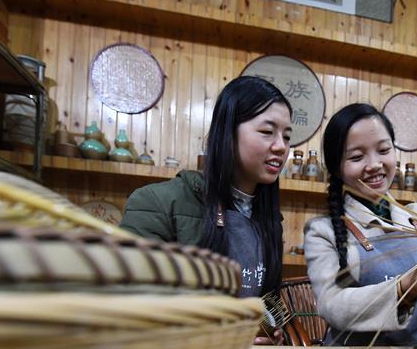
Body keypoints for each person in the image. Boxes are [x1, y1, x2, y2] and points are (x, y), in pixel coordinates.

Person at [304, 103, 417, 347]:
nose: (374, 164)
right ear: (336, 168)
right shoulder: (323, 231)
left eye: (383, 150)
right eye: (357, 157)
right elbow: (332, 304)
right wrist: (405, 287)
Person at [121, 76, 292, 299]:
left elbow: (267, 301)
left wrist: (268, 330)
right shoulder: (158, 203)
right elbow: (132, 298)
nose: (281, 146)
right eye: (267, 132)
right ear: (228, 134)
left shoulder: (269, 219)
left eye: (287, 136)